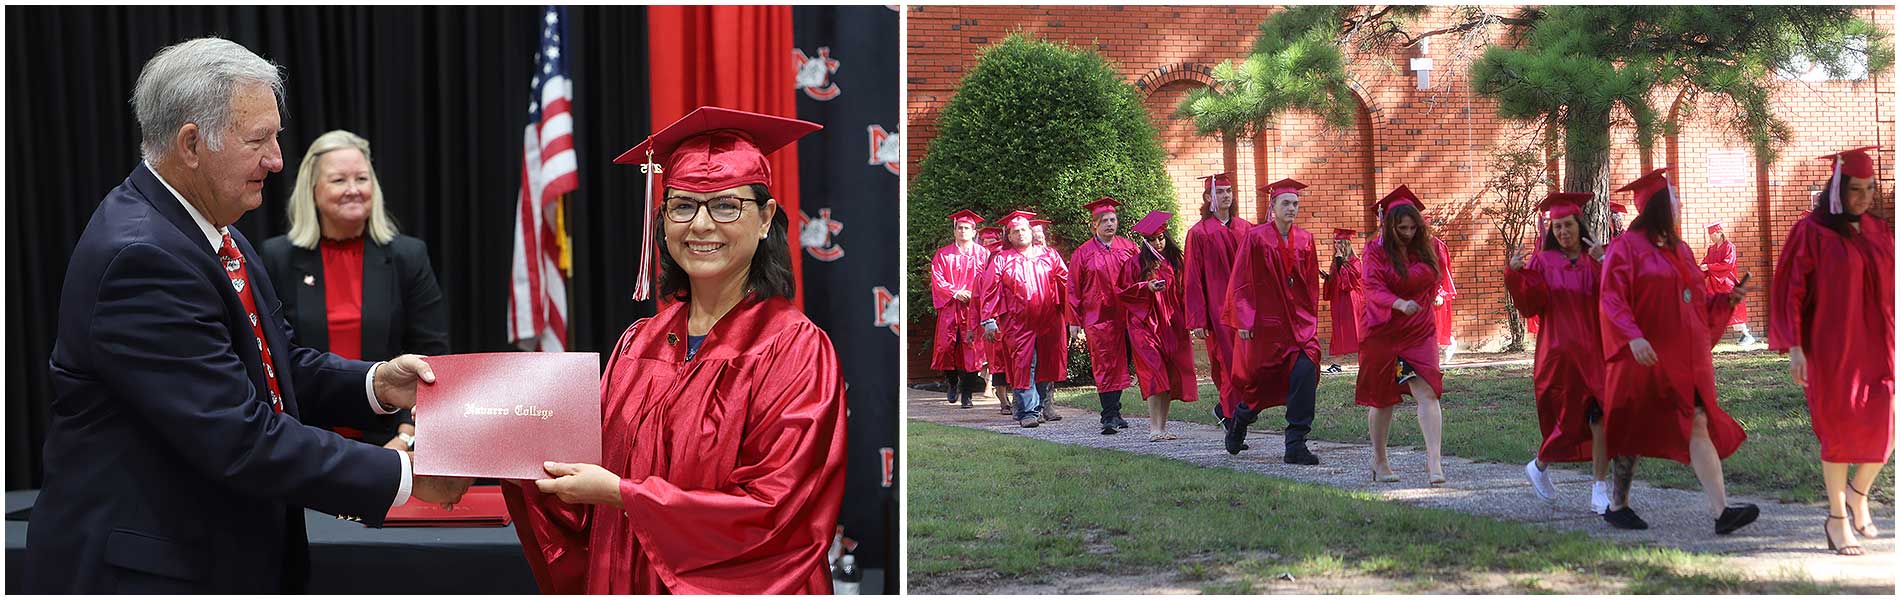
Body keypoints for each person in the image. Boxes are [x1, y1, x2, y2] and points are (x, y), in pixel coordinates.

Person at [26, 37, 468, 594]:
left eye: (276, 136)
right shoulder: (142, 256)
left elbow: (277, 364)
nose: (278, 160)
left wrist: (377, 383)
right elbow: (236, 435)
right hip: (150, 571)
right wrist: (405, 475)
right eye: (259, 140)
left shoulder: (214, 232)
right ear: (191, 144)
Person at [504, 107, 848, 593]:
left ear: (766, 217)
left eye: (726, 206)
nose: (701, 225)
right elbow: (580, 498)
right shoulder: (637, 345)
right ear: (662, 220)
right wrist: (506, 452)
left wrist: (627, 495)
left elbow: (777, 508)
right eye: (683, 205)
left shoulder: (793, 349)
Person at [261, 129, 450, 450]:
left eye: (362, 179)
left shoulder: (408, 256)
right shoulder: (277, 257)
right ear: (312, 190)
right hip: (305, 444)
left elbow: (432, 357)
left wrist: (405, 437)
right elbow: (272, 359)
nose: (353, 190)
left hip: (390, 445)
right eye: (338, 180)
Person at [1597, 167, 1758, 535]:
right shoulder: (1626, 249)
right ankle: (1617, 505)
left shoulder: (1681, 249)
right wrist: (1632, 337)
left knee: (1697, 421)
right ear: (1657, 206)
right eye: (1675, 199)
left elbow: (1695, 302)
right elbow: (1612, 299)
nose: (1681, 205)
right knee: (1633, 430)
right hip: (1644, 357)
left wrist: (1725, 302)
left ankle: (1722, 512)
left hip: (1683, 361)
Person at [1770, 146, 1893, 556]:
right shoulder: (1812, 231)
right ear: (1838, 189)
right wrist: (1795, 348)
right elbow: (1791, 291)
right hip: (1833, 348)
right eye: (1855, 189)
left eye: (1870, 188)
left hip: (1880, 345)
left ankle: (1859, 494)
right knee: (1839, 432)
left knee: (1888, 423)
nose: (1864, 197)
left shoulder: (1878, 231)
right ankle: (1837, 518)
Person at [1505, 192, 1612, 514]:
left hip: (1595, 353)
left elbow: (1617, 295)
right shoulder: (1542, 261)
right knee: (1567, 422)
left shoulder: (1596, 258)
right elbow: (1531, 305)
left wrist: (1603, 262)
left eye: (1568, 225)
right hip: (1559, 355)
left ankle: (1599, 490)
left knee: (1600, 418)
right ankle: (1539, 465)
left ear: (1579, 225)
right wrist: (1514, 275)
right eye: (1557, 226)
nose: (1563, 232)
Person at [1222, 179, 1322, 464]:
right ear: (1273, 207)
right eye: (1286, 204)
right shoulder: (1256, 238)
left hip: (1299, 325)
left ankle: (1296, 443)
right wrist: (1243, 318)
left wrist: (1308, 319)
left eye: (1295, 204)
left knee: (1305, 370)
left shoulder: (1305, 239)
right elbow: (1241, 279)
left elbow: (1311, 284)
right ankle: (1240, 419)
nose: (1292, 208)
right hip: (1266, 325)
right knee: (1260, 386)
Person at [1355, 186, 1449, 485]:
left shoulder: (1428, 248)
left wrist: (1418, 305)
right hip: (1383, 330)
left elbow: (1434, 281)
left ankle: (1434, 462)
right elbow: (1372, 287)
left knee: (1428, 391)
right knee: (1383, 400)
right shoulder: (1374, 250)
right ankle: (1379, 461)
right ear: (1388, 225)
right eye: (1402, 228)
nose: (1408, 233)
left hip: (1418, 330)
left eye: (1412, 227)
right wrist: (1399, 303)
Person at [982, 211, 1071, 428]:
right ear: (1009, 237)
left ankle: (1037, 407)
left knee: (1045, 365)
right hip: (1017, 323)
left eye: (1023, 229)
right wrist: (989, 319)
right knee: (1024, 365)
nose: (1020, 233)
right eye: (1015, 231)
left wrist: (1074, 314)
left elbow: (1067, 283)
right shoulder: (1002, 259)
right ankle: (1029, 412)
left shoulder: (1049, 255)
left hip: (1049, 321)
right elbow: (990, 290)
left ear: (1031, 232)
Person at [1121, 210, 1198, 441]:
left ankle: (1162, 428)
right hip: (1145, 325)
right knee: (1155, 372)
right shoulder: (1134, 264)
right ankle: (1154, 428)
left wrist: (1191, 321)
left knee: (1169, 375)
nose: (1158, 242)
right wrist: (1146, 287)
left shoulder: (1176, 262)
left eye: (1161, 238)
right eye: (1153, 239)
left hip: (1173, 325)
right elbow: (1122, 292)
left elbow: (1186, 292)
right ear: (1145, 242)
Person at [1183, 173, 1252, 415]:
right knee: (1226, 362)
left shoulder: (1246, 229)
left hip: (1245, 309)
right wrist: (1198, 319)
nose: (1226, 196)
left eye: (1229, 191)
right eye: (1220, 192)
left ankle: (1229, 410)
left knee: (1248, 363)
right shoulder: (1199, 233)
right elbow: (1192, 278)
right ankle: (1232, 417)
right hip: (1217, 310)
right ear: (1208, 197)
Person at [1069, 197, 1139, 435]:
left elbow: (1140, 278)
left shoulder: (1129, 247)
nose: (1110, 224)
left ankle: (1115, 411)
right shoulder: (1083, 253)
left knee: (1123, 362)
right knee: (1105, 364)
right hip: (1097, 318)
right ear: (1094, 226)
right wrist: (1073, 321)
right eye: (1104, 220)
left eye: (1113, 219)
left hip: (1127, 316)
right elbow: (1073, 288)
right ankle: (1108, 415)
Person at [929, 210, 992, 408]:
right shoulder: (943, 254)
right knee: (947, 348)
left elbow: (990, 281)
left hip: (974, 309)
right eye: (960, 228)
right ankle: (952, 382)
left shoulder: (984, 254)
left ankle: (967, 394)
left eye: (967, 228)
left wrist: (974, 295)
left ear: (974, 232)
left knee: (973, 352)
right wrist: (956, 292)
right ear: (954, 231)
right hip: (950, 308)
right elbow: (937, 279)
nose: (963, 231)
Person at [1029, 218, 1067, 422]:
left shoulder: (1052, 255)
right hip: (1027, 319)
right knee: (1028, 362)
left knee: (1049, 361)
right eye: (1035, 238)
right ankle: (1028, 405)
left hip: (1052, 316)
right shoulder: (1019, 258)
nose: (1039, 241)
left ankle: (1048, 404)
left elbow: (1065, 280)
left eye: (1041, 237)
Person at [1698, 222, 1756, 345]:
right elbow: (1706, 265)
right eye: (1710, 235)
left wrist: (1708, 267)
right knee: (1710, 307)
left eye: (1713, 234)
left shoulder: (1729, 247)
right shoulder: (1711, 249)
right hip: (1714, 284)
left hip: (1726, 282)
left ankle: (1746, 335)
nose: (1711, 237)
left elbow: (1728, 264)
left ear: (1719, 232)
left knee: (1733, 308)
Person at [975, 225, 1013, 415]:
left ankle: (1017, 400)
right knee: (997, 364)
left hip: (1011, 322)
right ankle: (1004, 401)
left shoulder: (1012, 269)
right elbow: (976, 302)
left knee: (1014, 362)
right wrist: (980, 324)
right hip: (993, 323)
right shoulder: (982, 276)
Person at [1321, 228, 1361, 374]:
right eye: (1335, 242)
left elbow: (1350, 280)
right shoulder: (1336, 260)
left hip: (1351, 301)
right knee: (1339, 331)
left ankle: (1365, 362)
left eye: (1339, 242)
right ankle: (1336, 365)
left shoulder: (1355, 261)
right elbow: (1336, 281)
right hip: (1339, 302)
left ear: (1346, 244)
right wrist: (1327, 278)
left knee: (1356, 331)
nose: (1336, 245)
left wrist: (1339, 263)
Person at [1428, 217, 1460, 363]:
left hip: (1435, 292)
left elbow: (1442, 270)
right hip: (1420, 293)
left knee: (1436, 325)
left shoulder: (1436, 245)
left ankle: (1449, 344)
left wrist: (1440, 292)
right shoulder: (1411, 246)